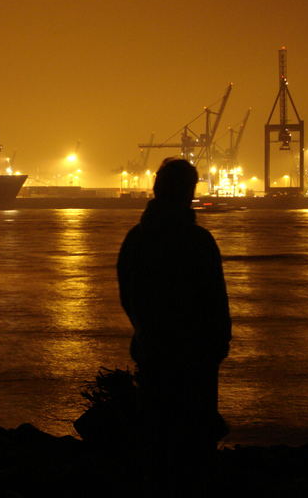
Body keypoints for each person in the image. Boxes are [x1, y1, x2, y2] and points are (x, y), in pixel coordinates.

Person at [117, 158, 231, 495]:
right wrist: (217, 345)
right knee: (195, 436)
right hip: (196, 356)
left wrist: (146, 332)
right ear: (189, 192)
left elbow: (128, 295)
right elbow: (215, 299)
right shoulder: (198, 240)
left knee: (157, 431)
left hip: (153, 351)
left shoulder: (136, 239)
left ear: (156, 189)